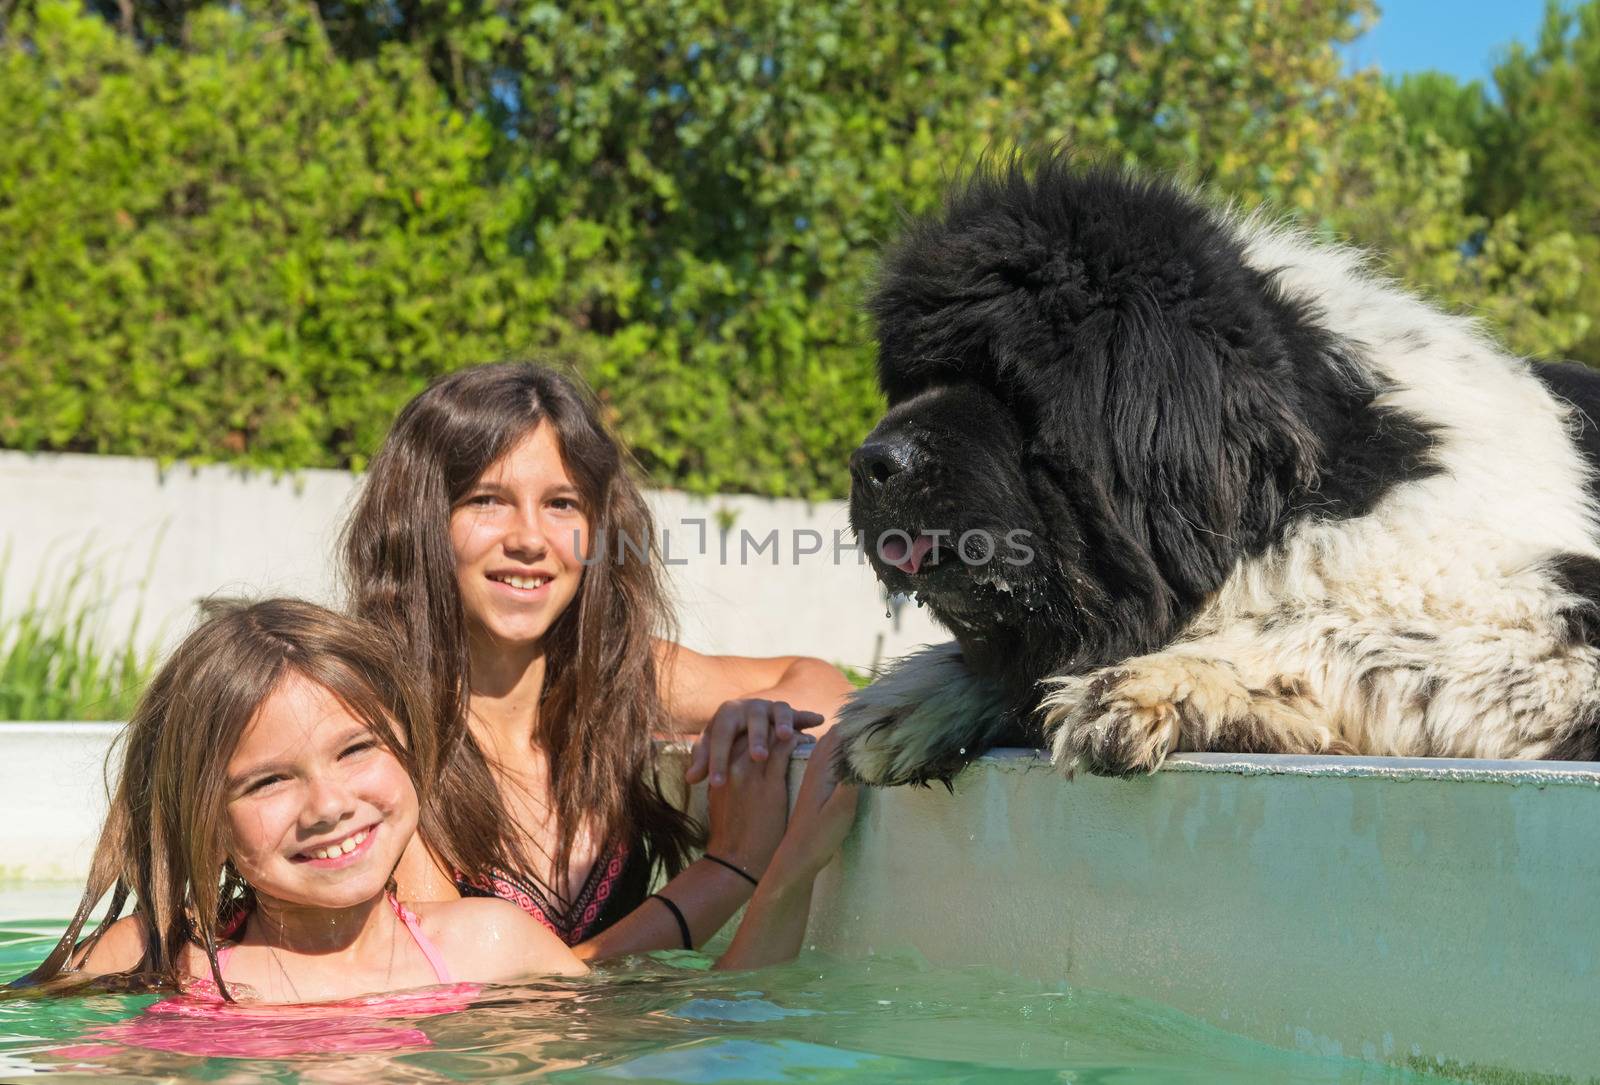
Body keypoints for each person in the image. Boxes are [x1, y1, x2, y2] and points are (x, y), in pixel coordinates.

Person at [340, 362, 854, 956]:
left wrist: (758, 717)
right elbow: (492, 996)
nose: (530, 539)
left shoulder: (615, 682)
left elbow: (822, 683)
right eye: (487, 500)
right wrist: (731, 867)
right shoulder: (377, 740)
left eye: (561, 504)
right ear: (419, 523)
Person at [19, 599, 583, 1005]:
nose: (328, 806)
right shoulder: (157, 964)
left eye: (356, 749)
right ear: (206, 822)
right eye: (268, 782)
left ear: (411, 748)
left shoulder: (494, 948)